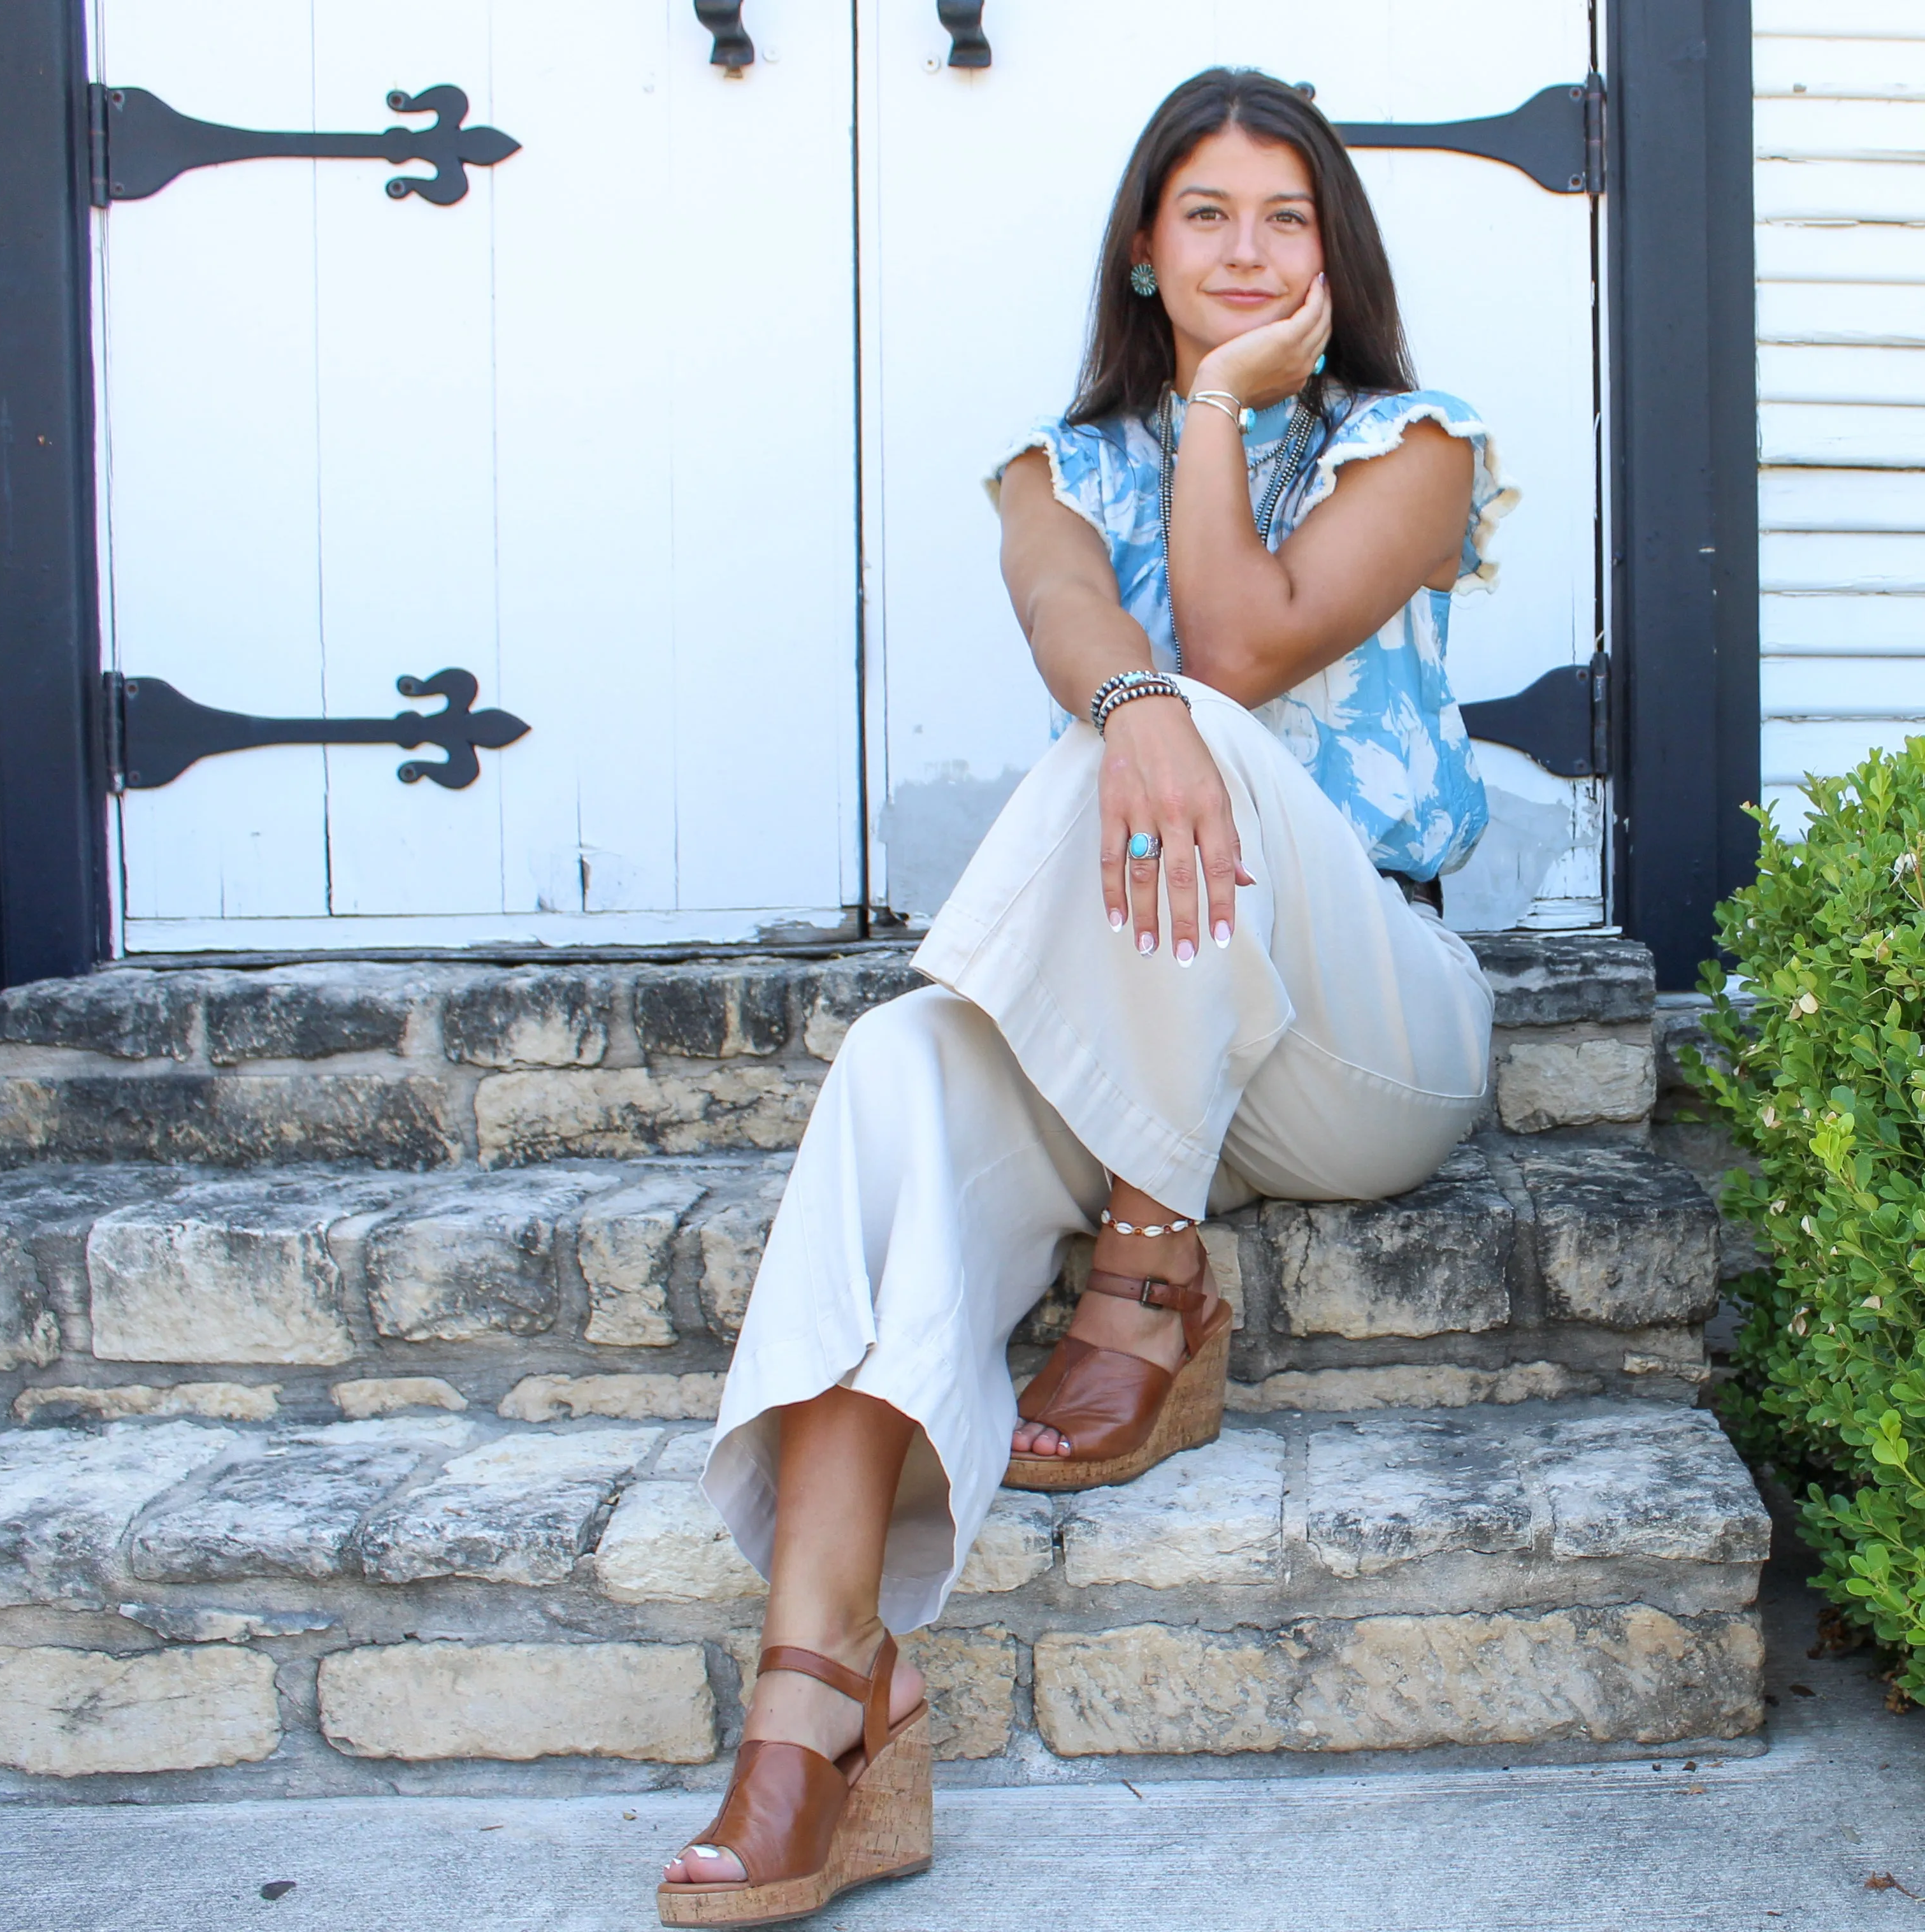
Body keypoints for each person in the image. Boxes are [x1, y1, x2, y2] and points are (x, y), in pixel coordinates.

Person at [656, 65, 1510, 1926]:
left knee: (1182, 711)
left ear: (1334, 253)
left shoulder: (1417, 443)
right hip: (1144, 1002)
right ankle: (825, 1703)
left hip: (1367, 1039)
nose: (1246, 246)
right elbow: (1088, 635)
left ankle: (1150, 1249)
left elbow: (1235, 642)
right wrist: (1126, 704)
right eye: (1205, 212)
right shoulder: (1054, 470)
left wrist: (1217, 412)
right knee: (896, 1063)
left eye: (1286, 216)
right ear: (1143, 245)